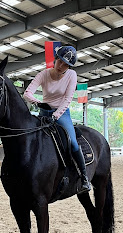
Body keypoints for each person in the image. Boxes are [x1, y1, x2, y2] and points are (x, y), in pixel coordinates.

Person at [23, 45, 91, 193]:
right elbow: (27, 93)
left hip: (62, 113)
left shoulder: (71, 75)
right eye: (60, 61)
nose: (62, 66)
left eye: (66, 64)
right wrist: (38, 103)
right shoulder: (43, 74)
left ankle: (84, 178)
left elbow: (67, 99)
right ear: (55, 59)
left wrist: (55, 116)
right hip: (43, 112)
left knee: (72, 143)